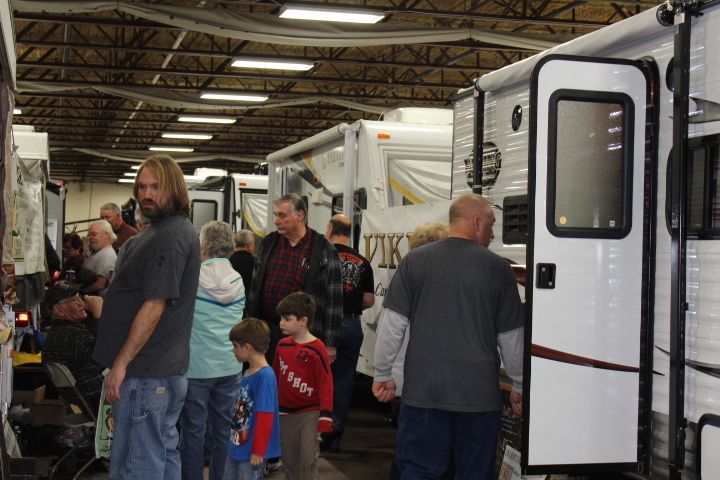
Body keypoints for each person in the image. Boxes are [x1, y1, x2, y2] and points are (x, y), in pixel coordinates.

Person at [372, 194, 524, 480]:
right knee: (474, 474)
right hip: (479, 398)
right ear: (476, 221)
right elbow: (511, 335)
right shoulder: (499, 269)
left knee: (419, 471)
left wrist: (382, 373)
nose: (492, 234)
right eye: (491, 225)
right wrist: (519, 383)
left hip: (423, 397)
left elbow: (391, 325)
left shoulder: (413, 262)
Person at [92, 154, 201, 479]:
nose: (146, 194)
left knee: (139, 467)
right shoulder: (161, 232)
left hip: (147, 374)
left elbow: (154, 305)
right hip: (157, 374)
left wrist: (121, 365)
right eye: (141, 187)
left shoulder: (170, 237)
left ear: (175, 190)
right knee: (160, 458)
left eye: (156, 187)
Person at [179, 221, 245, 480]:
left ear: (203, 245)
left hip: (197, 367)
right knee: (224, 433)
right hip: (230, 365)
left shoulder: (192, 277)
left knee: (193, 433)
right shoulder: (237, 279)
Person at [244, 193, 342, 365]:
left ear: (299, 216)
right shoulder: (268, 243)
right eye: (275, 215)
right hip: (267, 332)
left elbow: (334, 300)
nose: (276, 221)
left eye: (282, 215)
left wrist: (331, 344)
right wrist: (248, 327)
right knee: (266, 383)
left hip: (304, 336)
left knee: (296, 387)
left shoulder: (324, 249)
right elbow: (254, 289)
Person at [321, 214, 374, 452]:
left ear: (331, 229)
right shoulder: (363, 261)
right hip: (352, 325)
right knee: (343, 381)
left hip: (324, 325)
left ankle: (318, 432)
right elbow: (369, 300)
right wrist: (351, 307)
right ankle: (335, 434)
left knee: (320, 378)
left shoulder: (323, 255)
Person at [272, 292, 333, 480]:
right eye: (281, 318)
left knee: (308, 460)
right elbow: (274, 377)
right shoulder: (282, 345)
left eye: (287, 318)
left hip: (310, 412)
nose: (282, 322)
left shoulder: (317, 348)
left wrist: (325, 415)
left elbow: (326, 382)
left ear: (303, 320)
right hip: (284, 414)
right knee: (288, 460)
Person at [225, 318, 281, 480]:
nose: (233, 350)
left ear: (247, 347)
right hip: (236, 446)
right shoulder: (248, 373)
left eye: (235, 346)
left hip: (251, 451)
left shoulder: (265, 376)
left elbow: (265, 416)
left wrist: (259, 450)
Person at [42, 283, 104, 410]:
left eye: (80, 298)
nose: (82, 303)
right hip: (98, 400)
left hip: (85, 401)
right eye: (74, 300)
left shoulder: (58, 332)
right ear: (59, 310)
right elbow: (104, 354)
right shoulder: (70, 335)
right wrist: (99, 312)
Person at [83, 220, 117, 296]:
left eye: (94, 234)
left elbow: (100, 285)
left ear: (106, 235)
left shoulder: (107, 255)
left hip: (95, 301)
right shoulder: (98, 252)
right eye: (89, 234)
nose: (90, 238)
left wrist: (82, 291)